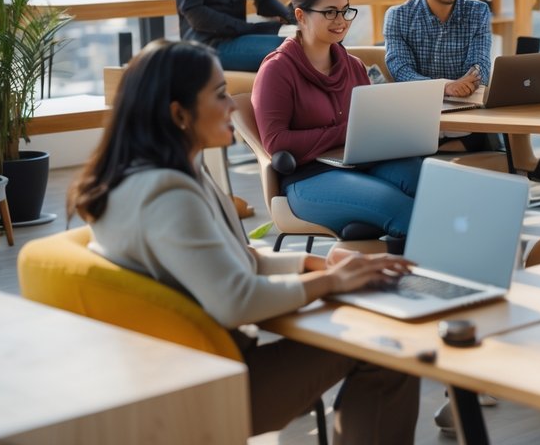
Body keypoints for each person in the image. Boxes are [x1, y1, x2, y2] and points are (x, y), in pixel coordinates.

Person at [68, 40, 419, 441]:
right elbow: (236, 300)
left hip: (180, 371)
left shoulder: (142, 177)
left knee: (367, 329)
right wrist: (333, 282)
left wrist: (316, 265)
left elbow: (228, 260)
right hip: (214, 383)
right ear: (178, 113)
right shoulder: (167, 195)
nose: (233, 107)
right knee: (389, 347)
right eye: (219, 95)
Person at [252, 0, 425, 238]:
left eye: (345, 11)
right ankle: (443, 269)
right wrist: (345, 131)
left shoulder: (353, 65)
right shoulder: (277, 69)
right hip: (308, 177)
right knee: (398, 207)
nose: (341, 21)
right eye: (330, 12)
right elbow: (276, 142)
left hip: (358, 163)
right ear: (301, 16)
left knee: (429, 181)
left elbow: (368, 125)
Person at [383, 0, 540, 181]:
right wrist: (445, 86)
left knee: (498, 116)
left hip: (465, 114)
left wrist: (472, 78)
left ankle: (436, 153)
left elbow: (480, 63)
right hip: (422, 115)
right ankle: (440, 152)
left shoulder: (477, 11)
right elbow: (401, 69)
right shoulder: (398, 16)